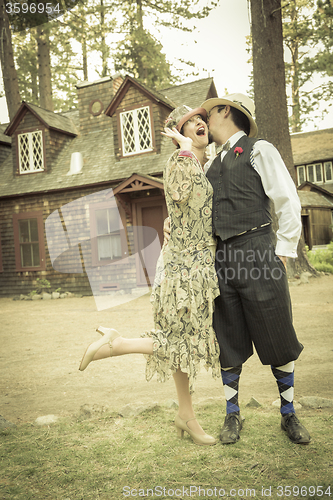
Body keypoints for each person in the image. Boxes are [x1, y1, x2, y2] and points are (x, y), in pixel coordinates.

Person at [79, 105, 221, 446]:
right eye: (191, 123)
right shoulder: (179, 161)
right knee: (181, 342)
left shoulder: (204, 165)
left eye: (202, 120)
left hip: (196, 266)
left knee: (184, 343)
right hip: (182, 269)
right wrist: (184, 152)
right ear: (180, 136)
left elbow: (189, 211)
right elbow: (178, 194)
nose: (200, 124)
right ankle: (119, 343)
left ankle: (185, 415)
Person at [196, 93, 311, 445]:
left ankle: (288, 414)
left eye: (208, 114)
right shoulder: (210, 164)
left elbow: (287, 198)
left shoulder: (259, 149)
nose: (204, 120)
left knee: (277, 331)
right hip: (223, 258)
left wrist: (284, 250)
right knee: (227, 336)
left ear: (226, 112)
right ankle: (232, 415)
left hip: (258, 249)